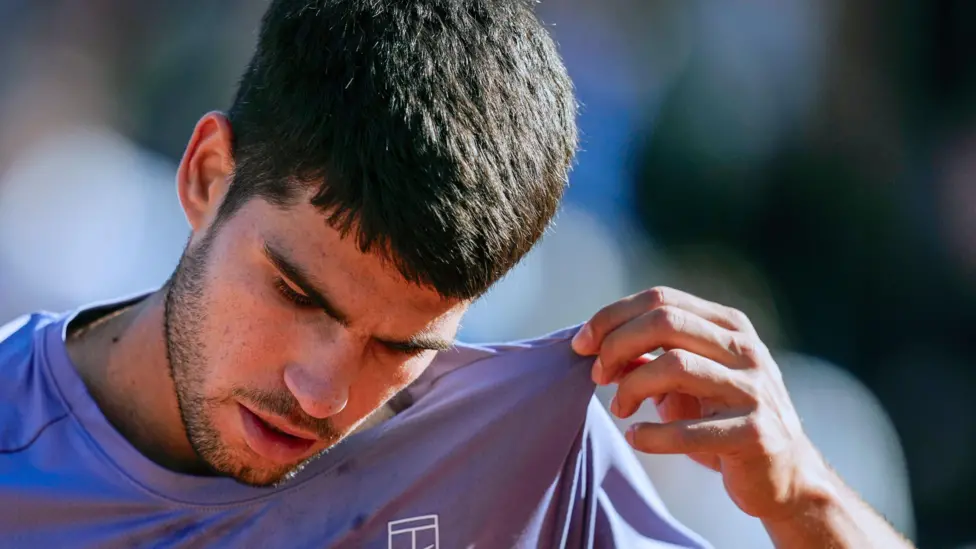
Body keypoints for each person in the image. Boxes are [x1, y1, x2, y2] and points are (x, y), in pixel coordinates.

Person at [0, 1, 914, 547]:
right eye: (295, 291)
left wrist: (802, 495)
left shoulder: (528, 456)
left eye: (399, 345)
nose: (319, 393)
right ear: (207, 176)